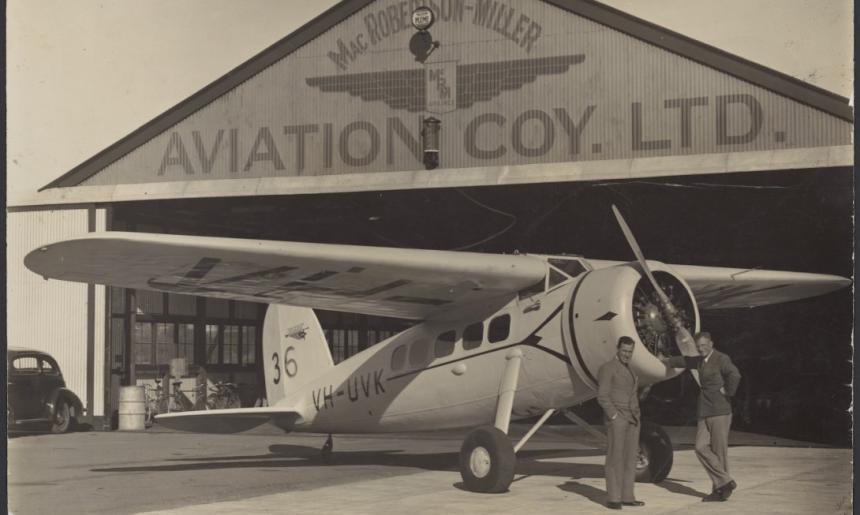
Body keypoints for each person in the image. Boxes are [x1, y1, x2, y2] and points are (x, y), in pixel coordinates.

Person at [663, 331, 741, 502]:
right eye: (698, 347)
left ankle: (720, 490)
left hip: (720, 410)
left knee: (719, 452)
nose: (701, 349)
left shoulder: (721, 358)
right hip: (704, 411)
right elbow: (685, 361)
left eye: (704, 345)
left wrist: (728, 391)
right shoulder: (700, 360)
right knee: (700, 447)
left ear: (711, 344)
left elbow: (735, 375)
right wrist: (666, 361)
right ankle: (726, 481)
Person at [597, 336, 644, 510]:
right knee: (615, 458)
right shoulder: (608, 368)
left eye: (630, 352)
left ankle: (627, 496)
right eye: (624, 350)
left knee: (630, 459)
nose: (627, 354)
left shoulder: (631, 370)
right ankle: (613, 498)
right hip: (618, 419)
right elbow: (602, 396)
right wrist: (614, 416)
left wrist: (637, 415)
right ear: (617, 349)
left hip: (633, 419)